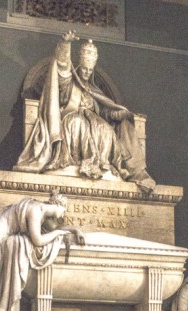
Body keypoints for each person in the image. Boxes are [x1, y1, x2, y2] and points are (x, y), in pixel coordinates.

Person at [13, 31, 156, 193]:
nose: (87, 73)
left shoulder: (94, 90)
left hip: (95, 121)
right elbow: (62, 68)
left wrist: (122, 114)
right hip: (70, 118)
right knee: (78, 124)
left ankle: (102, 164)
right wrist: (65, 44)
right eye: (85, 69)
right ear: (80, 66)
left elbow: (107, 113)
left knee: (106, 129)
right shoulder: (69, 84)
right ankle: (78, 163)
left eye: (90, 70)